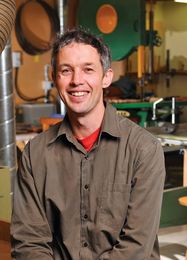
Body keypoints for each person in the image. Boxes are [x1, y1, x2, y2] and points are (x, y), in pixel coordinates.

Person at [11, 28, 166, 259]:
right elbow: (28, 242)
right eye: (66, 70)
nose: (76, 81)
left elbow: (136, 247)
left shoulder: (144, 150)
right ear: (55, 78)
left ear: (106, 77)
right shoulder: (35, 154)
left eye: (88, 69)